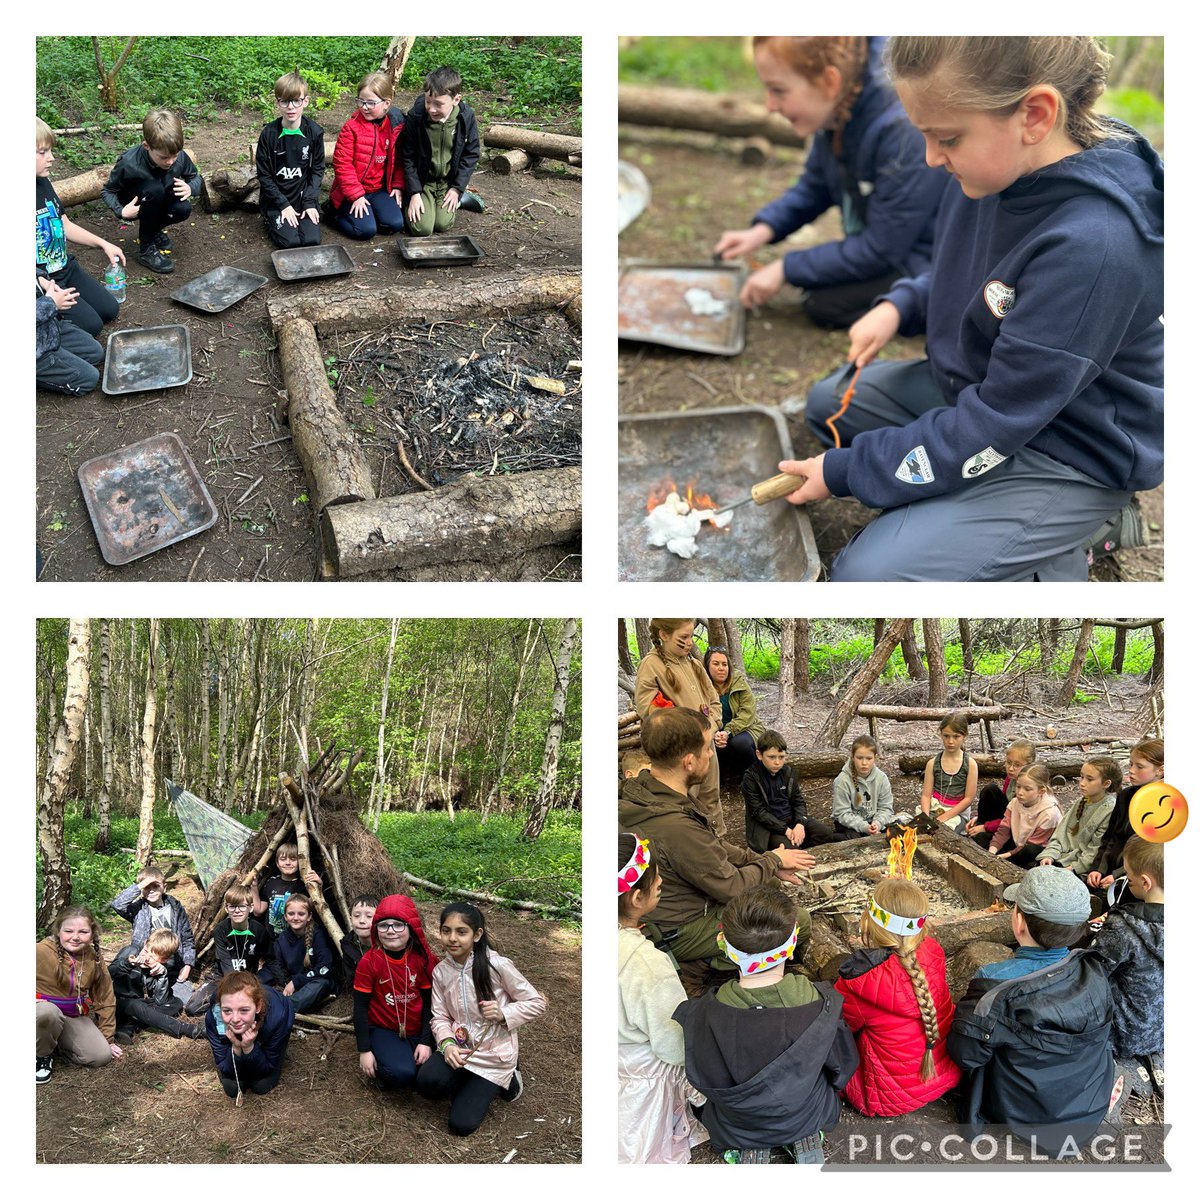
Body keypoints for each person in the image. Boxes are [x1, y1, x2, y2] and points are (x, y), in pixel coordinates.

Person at [779, 37, 1162, 582]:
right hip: (987, 389)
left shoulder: (1094, 246)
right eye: (926, 137)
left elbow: (996, 422)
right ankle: (978, 519)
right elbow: (978, 276)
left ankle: (1080, 531)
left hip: (1067, 445)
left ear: (1034, 114)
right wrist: (901, 304)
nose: (933, 157)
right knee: (828, 404)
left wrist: (847, 471)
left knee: (869, 576)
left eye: (947, 138)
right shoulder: (992, 166)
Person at [715, 37, 946, 327]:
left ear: (829, 82)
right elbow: (816, 185)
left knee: (824, 304)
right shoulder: (840, 107)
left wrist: (786, 268)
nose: (770, 106)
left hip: (929, 255)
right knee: (821, 289)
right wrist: (764, 229)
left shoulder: (901, 130)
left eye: (778, 91)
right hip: (893, 240)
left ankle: (939, 311)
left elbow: (881, 247)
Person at [619, 707, 814, 973]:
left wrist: (767, 862)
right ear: (689, 761)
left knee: (767, 880)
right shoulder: (675, 825)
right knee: (798, 921)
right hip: (680, 926)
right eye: (707, 748)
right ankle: (707, 965)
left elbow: (712, 846)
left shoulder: (650, 790)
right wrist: (772, 859)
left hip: (677, 903)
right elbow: (731, 887)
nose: (711, 754)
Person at [673, 885, 858, 1164]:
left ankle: (743, 1145)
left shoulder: (703, 1015)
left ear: (724, 945)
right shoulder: (821, 1004)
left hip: (735, 1126)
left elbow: (704, 1078)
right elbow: (841, 1066)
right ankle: (801, 1136)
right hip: (807, 1114)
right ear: (792, 943)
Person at [949, 867, 1116, 1153]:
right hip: (1084, 1107)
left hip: (1023, 1115)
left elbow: (965, 1055)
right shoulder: (1094, 970)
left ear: (1019, 923)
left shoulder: (995, 983)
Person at [415, 903, 546, 1136]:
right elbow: (440, 1016)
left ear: (477, 935)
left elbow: (536, 1002)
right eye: (446, 931)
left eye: (461, 932)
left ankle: (510, 1078)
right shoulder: (441, 971)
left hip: (493, 1054)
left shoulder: (497, 965)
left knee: (460, 1125)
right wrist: (447, 1044)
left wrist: (504, 1013)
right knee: (427, 1084)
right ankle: (470, 1081)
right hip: (461, 1046)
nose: (452, 938)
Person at [834, 876, 959, 1116]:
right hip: (944, 1075)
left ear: (869, 922)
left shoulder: (859, 980)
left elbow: (839, 1030)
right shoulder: (933, 951)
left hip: (886, 1098)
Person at [617, 832, 705, 1164]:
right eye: (656, 880)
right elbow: (673, 1044)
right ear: (637, 897)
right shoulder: (647, 965)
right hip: (641, 1080)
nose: (661, 881)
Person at [634, 619, 724, 834]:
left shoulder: (693, 664)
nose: (689, 643)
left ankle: (718, 841)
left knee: (710, 794)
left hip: (706, 745)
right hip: (680, 753)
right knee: (687, 799)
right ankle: (693, 847)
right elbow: (648, 708)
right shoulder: (651, 664)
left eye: (691, 636)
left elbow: (714, 702)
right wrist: (688, 733)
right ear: (663, 634)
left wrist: (711, 727)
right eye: (682, 638)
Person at [36, 117, 124, 336]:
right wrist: (45, 290)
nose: (51, 158)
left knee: (110, 309)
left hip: (65, 268)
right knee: (93, 326)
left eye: (50, 151)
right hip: (44, 283)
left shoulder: (42, 183)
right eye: (42, 152)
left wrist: (104, 244)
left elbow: (64, 224)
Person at [1092, 835, 1163, 1095]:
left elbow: (1096, 967)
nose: (1127, 881)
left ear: (1145, 883)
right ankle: (1154, 1056)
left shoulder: (1124, 926)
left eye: (1130, 878)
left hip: (1123, 1031)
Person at [353, 894, 437, 1091]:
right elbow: (360, 1008)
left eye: (398, 925)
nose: (390, 931)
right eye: (384, 925)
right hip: (384, 1029)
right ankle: (384, 1065)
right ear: (376, 929)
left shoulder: (421, 959)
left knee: (429, 1076)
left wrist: (425, 1041)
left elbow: (428, 1003)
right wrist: (364, 1050)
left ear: (410, 928)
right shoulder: (370, 961)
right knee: (403, 1074)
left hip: (417, 1028)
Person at [100, 110, 201, 274]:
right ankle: (146, 249)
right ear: (147, 146)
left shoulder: (179, 156)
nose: (170, 162)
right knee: (154, 189)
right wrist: (121, 210)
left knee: (183, 209)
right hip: (136, 202)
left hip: (162, 196)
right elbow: (108, 190)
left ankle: (152, 231)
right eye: (163, 157)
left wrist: (191, 187)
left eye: (174, 156)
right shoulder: (129, 162)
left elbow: (196, 177)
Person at [36, 905, 123, 1082]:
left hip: (72, 1017)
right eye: (68, 931)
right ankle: (41, 1056)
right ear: (58, 930)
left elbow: (105, 996)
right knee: (47, 1013)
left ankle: (54, 1042)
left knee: (100, 1056)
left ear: (92, 933)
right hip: (40, 1013)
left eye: (83, 931)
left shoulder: (93, 957)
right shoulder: (39, 951)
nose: (75, 937)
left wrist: (108, 1037)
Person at [403, 66, 482, 237]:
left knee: (442, 224)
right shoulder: (416, 117)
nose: (431, 109)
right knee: (421, 229)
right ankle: (411, 201)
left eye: (438, 104)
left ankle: (461, 198)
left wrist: (456, 188)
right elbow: (407, 157)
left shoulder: (465, 117)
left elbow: (472, 154)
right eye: (428, 101)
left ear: (456, 100)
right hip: (423, 181)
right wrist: (414, 193)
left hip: (447, 182)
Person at [1086, 737, 1164, 904]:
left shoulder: (1166, 805)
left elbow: (1150, 855)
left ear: (1160, 770)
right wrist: (1098, 869)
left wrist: (1118, 876)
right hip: (1110, 869)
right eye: (1130, 764)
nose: (1132, 770)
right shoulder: (1125, 796)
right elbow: (1110, 837)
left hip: (1138, 878)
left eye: (1139, 766)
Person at [329, 72, 405, 240]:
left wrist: (398, 186)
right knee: (365, 231)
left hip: (378, 190)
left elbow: (398, 160)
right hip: (351, 191)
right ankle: (333, 213)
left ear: (386, 103)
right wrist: (356, 195)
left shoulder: (395, 126)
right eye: (361, 101)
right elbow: (342, 165)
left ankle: (370, 214)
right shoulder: (351, 128)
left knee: (395, 224)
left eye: (371, 103)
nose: (364, 107)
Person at [741, 729, 844, 852]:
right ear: (759, 755)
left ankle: (801, 843)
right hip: (769, 828)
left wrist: (800, 824)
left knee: (825, 833)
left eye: (781, 757)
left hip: (791, 820)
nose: (777, 762)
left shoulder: (788, 773)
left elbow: (799, 802)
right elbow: (758, 812)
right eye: (771, 757)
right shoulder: (751, 778)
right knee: (790, 848)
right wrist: (785, 830)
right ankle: (794, 847)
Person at [256, 70, 325, 249]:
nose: (291, 107)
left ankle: (304, 212)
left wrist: (309, 202)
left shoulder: (314, 132)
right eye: (285, 101)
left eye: (296, 100)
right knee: (291, 242)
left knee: (312, 240)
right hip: (277, 200)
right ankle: (271, 218)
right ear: (278, 102)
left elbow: (317, 170)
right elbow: (264, 176)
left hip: (302, 197)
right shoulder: (269, 134)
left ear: (306, 101)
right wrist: (283, 205)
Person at [204, 971, 295, 1100]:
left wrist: (249, 1048)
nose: (235, 1019)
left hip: (273, 1022)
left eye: (244, 1010)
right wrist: (236, 1048)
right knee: (233, 1087)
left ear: (258, 1007)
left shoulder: (277, 1017)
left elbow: (267, 1067)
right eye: (227, 1010)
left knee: (261, 1085)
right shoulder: (213, 1018)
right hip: (247, 1029)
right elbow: (223, 1065)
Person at [184, 883, 271, 1016]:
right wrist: (236, 989)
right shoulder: (221, 930)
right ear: (226, 908)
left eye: (242, 906)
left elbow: (271, 960)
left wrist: (257, 979)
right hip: (223, 977)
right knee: (192, 1008)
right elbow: (226, 963)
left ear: (251, 907)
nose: (237, 911)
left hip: (249, 978)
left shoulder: (259, 931)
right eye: (232, 906)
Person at [111, 866, 196, 997]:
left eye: (155, 886)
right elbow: (117, 904)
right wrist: (139, 886)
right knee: (129, 951)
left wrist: (188, 965)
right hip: (143, 957)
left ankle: (160, 987)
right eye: (147, 887)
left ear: (164, 887)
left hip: (168, 959)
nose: (151, 891)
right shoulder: (138, 908)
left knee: (182, 998)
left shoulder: (176, 908)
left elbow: (187, 938)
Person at [109, 929, 204, 1043]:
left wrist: (162, 976)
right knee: (134, 1005)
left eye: (153, 957)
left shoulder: (159, 967)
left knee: (176, 1003)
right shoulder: (130, 951)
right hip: (116, 1004)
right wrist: (127, 964)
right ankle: (188, 1029)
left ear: (164, 960)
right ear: (145, 943)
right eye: (145, 951)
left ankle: (131, 1025)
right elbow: (108, 974)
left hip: (141, 1006)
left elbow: (161, 1001)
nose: (146, 958)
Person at [1040, 755, 1121, 878]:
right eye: (1081, 777)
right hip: (1063, 856)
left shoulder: (1109, 810)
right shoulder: (1082, 801)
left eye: (1089, 779)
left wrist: (1073, 868)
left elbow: (1095, 849)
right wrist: (1049, 854)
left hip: (1080, 867)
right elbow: (1061, 834)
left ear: (1106, 783)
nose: (1082, 783)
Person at [982, 764, 1062, 868]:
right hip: (1018, 844)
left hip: (1036, 850)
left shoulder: (1050, 813)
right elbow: (1003, 830)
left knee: (1030, 852)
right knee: (982, 837)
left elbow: (1032, 845)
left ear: (1041, 791)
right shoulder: (1015, 802)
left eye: (1027, 789)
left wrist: (1001, 857)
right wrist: (991, 852)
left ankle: (1007, 863)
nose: (1020, 792)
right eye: (1018, 786)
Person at [267, 893, 335, 1013]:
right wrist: (286, 982)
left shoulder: (317, 935)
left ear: (309, 916)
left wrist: (296, 982)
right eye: (291, 914)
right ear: (285, 917)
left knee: (321, 984)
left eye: (301, 914)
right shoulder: (282, 939)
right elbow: (277, 964)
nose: (296, 917)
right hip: (294, 985)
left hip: (314, 981)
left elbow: (324, 968)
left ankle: (282, 1008)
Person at [704, 645, 764, 780]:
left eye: (724, 664)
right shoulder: (702, 686)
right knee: (706, 743)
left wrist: (728, 731)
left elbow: (747, 713)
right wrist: (716, 734)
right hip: (715, 732)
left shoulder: (738, 682)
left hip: (744, 728)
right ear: (707, 666)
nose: (721, 668)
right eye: (716, 664)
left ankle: (754, 780)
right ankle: (721, 778)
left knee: (739, 743)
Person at [36, 279, 103, 396]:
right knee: (89, 379)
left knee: (96, 353)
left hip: (46, 326)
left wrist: (40, 279)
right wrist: (50, 303)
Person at [968, 739, 1036, 845]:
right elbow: (1004, 807)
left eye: (1017, 765)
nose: (1011, 768)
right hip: (1006, 819)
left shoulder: (1028, 790)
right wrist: (979, 818)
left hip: (1017, 829)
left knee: (982, 838)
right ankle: (977, 828)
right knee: (990, 790)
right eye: (1009, 762)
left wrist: (986, 827)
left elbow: (1013, 819)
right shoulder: (1011, 778)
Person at [919, 713, 977, 828]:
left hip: (957, 813)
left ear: (964, 736)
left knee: (942, 832)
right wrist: (925, 817)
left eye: (956, 737)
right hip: (934, 808)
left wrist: (944, 817)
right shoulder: (932, 763)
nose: (950, 741)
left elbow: (969, 798)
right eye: (946, 736)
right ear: (941, 734)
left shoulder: (970, 764)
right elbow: (926, 795)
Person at [830, 734, 894, 838]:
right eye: (860, 758)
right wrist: (864, 827)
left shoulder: (881, 778)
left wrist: (877, 824)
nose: (864, 763)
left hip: (874, 823)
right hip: (850, 825)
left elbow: (886, 808)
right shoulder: (842, 781)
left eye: (869, 758)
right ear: (852, 757)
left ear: (875, 758)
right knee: (854, 840)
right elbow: (841, 813)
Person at [253, 841, 321, 935]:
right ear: (277, 863)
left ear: (300, 862)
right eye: (283, 859)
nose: (288, 863)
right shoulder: (271, 882)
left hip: (297, 938)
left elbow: (312, 907)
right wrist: (254, 888)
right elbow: (258, 911)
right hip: (272, 940)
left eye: (293, 859)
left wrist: (318, 886)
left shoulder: (303, 884)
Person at [341, 893, 379, 983]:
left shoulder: (388, 944)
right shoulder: (348, 944)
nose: (362, 921)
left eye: (369, 916)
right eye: (357, 916)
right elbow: (351, 976)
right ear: (350, 919)